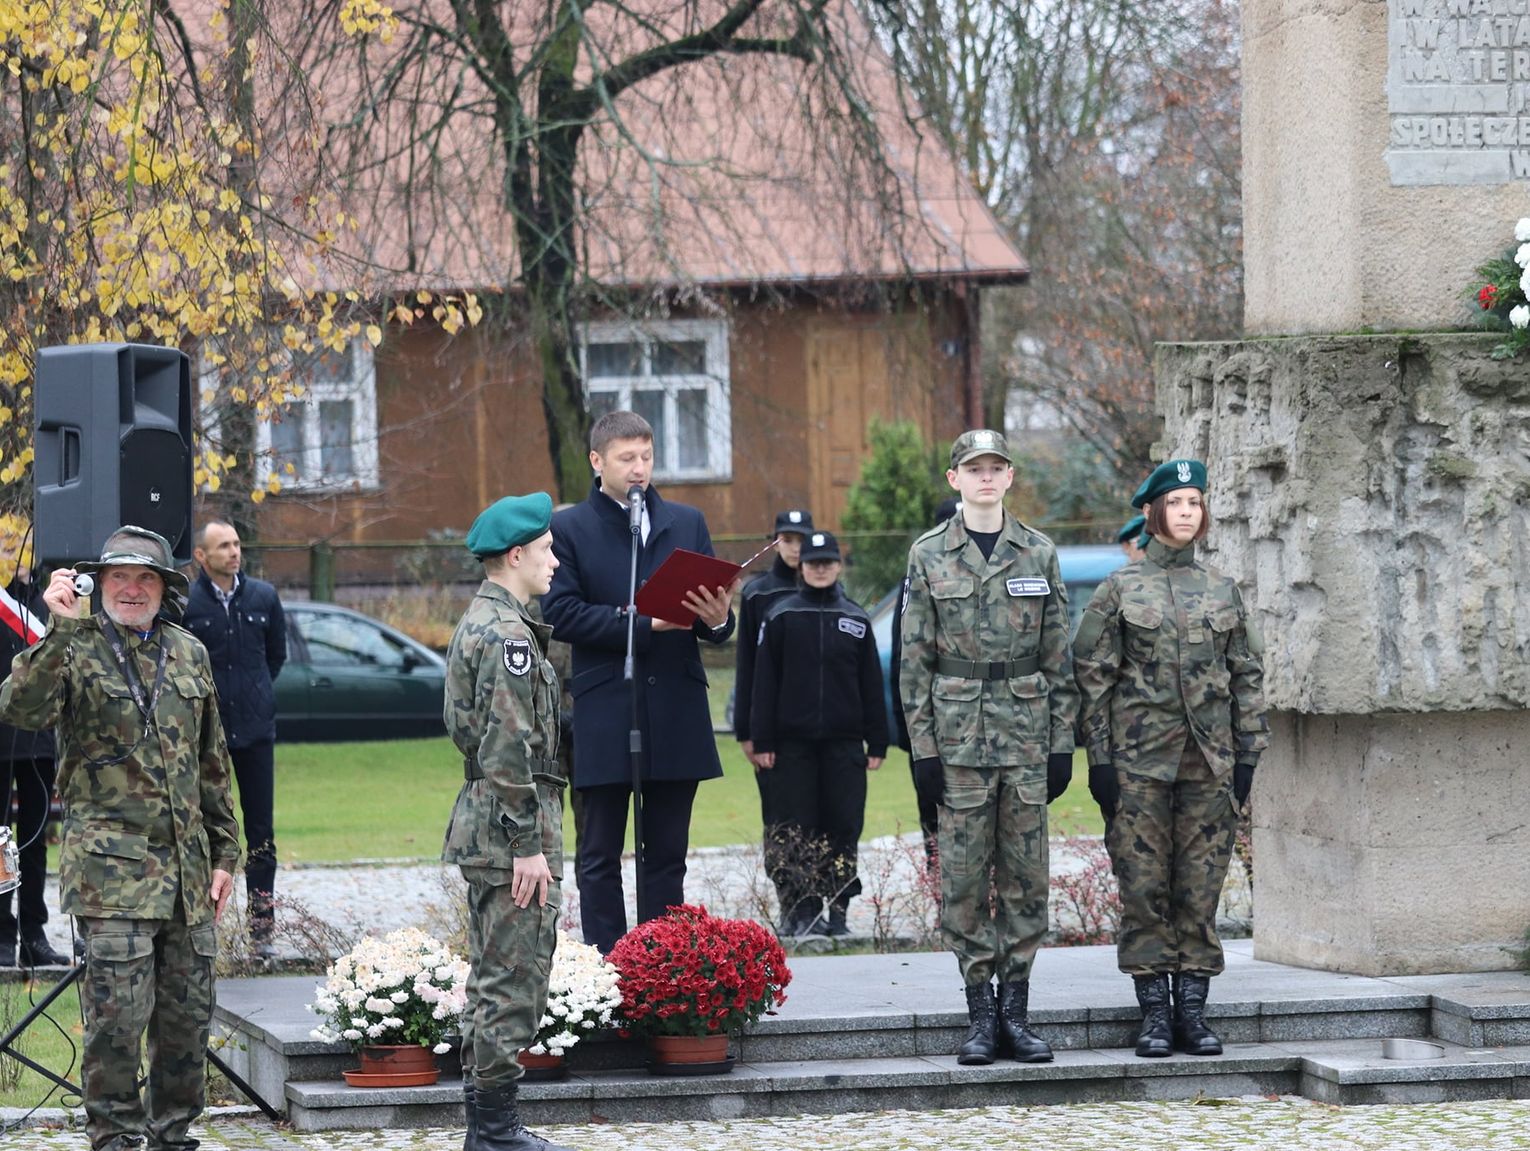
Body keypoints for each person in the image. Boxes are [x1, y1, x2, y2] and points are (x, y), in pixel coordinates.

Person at [0, 525, 241, 1151]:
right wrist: (58, 628)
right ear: (98, 584)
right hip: (111, 879)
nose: (131, 590)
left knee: (186, 1026)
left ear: (164, 588)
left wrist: (226, 854)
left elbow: (212, 762)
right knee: (115, 1025)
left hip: (189, 881)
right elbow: (19, 709)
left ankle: (173, 1137)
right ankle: (115, 1139)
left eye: (145, 579)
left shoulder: (190, 654)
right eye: (118, 578)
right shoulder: (74, 647)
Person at [1072, 459, 1268, 1059]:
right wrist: (1099, 759)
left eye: (1196, 503)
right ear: (1152, 512)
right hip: (1138, 768)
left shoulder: (1222, 589)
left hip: (1210, 765)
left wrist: (1247, 754)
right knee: (1143, 887)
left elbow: (1247, 675)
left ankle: (1193, 1013)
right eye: (1177, 502)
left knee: (1201, 888)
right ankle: (1154, 1014)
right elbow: (1092, 678)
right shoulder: (1118, 590)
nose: (1188, 512)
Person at [900, 429, 1078, 1066]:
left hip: (1027, 740)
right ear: (954, 479)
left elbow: (1059, 657)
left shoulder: (1038, 552)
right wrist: (922, 751)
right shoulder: (928, 555)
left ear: (1009, 478)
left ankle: (1017, 1015)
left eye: (995, 467)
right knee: (966, 881)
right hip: (957, 743)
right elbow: (914, 663)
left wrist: (1064, 745)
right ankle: (980, 1016)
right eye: (973, 468)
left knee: (1028, 879)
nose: (984, 477)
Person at [541, 411, 735, 954]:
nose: (639, 469)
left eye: (646, 457)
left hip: (675, 707)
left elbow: (711, 620)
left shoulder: (686, 520)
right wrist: (642, 623)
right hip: (607, 708)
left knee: (668, 851)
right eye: (627, 458)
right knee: (599, 852)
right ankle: (606, 967)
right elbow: (561, 614)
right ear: (597, 461)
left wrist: (718, 618)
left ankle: (660, 965)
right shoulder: (570, 527)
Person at [442, 492, 573, 1151]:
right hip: (508, 833)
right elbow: (503, 747)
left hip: (501, 827)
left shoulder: (502, 624)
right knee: (509, 980)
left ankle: (492, 1125)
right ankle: (491, 1131)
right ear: (517, 555)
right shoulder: (505, 637)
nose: (555, 559)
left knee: (506, 975)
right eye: (547, 549)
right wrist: (527, 844)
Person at [750, 530, 887, 937]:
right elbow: (763, 684)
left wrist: (877, 740)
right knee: (795, 826)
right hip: (792, 748)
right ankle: (801, 909)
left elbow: (871, 687)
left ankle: (839, 908)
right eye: (814, 562)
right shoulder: (781, 616)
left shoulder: (857, 619)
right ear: (802, 567)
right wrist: (763, 741)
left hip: (844, 747)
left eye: (828, 562)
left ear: (839, 565)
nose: (821, 568)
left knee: (843, 826)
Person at [182, 518, 287, 958]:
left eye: (237, 544)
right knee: (207, 826)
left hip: (256, 731)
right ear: (202, 556)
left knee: (260, 830)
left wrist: (257, 696)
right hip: (207, 736)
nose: (233, 552)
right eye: (223, 546)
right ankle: (204, 921)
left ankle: (262, 925)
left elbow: (276, 656)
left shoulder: (264, 597)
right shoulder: (187, 603)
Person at [0, 562, 68, 968]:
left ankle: (34, 932)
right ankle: (1, 931)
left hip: (38, 739)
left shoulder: (48, 599)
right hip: (0, 737)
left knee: (35, 841)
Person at [888, 496, 960, 870]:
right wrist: (907, 728)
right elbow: (905, 653)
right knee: (933, 810)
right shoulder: (917, 577)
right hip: (934, 721)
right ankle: (939, 887)